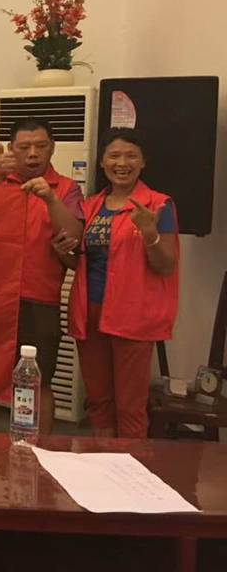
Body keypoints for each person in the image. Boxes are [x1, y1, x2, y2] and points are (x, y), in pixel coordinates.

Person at [0, 118, 84, 434]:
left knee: (39, 380)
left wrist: (51, 199)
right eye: (24, 147)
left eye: (40, 146)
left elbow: (75, 237)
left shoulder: (67, 188)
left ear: (52, 148)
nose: (32, 154)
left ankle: (40, 451)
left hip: (39, 298)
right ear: (11, 149)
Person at [62, 128, 178, 438]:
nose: (122, 163)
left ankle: (129, 466)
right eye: (114, 156)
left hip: (132, 316)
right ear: (102, 162)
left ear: (143, 162)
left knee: (130, 407)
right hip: (90, 313)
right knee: (99, 403)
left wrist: (150, 234)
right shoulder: (91, 206)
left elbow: (166, 266)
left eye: (131, 156)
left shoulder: (159, 205)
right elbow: (80, 263)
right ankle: (102, 462)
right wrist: (62, 252)